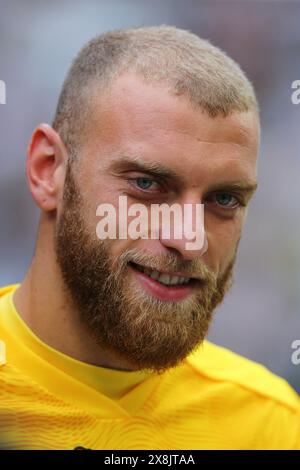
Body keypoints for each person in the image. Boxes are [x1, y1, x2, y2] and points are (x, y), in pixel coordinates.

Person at [0, 25, 299, 450]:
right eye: (146, 184)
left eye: (225, 198)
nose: (189, 239)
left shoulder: (269, 425)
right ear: (48, 171)